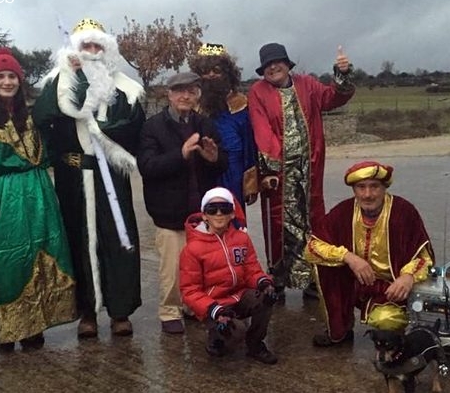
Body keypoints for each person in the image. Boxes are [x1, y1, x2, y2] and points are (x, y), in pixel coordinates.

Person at [32, 18, 146, 338]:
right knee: (78, 241)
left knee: (118, 240)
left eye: (98, 46)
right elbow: (41, 118)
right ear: (76, 48)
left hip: (111, 174)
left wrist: (102, 130)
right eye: (86, 46)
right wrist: (70, 81)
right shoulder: (58, 81)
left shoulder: (126, 87)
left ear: (106, 50)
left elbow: (133, 125)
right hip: (73, 176)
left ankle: (120, 310)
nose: (92, 52)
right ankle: (87, 312)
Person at [0, 47, 77, 353]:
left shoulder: (34, 118)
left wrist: (69, 70)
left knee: (40, 259)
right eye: (1, 76)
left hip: (38, 194)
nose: (7, 82)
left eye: (12, 76)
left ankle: (34, 326)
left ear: (20, 81)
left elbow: (57, 105)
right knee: (6, 264)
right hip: (5, 199)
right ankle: (8, 328)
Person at [248, 43, 355, 301]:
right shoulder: (258, 92)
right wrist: (270, 170)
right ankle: (278, 279)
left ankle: (313, 278)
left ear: (287, 63)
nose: (274, 67)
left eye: (278, 62)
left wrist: (342, 74)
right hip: (278, 176)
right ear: (263, 70)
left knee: (312, 222)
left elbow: (333, 97)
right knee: (278, 225)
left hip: (309, 170)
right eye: (268, 65)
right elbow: (262, 130)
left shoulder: (307, 84)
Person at [304, 161, 435, 346]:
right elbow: (312, 248)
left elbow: (423, 257)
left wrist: (408, 277)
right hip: (353, 281)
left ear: (384, 188)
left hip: (389, 288)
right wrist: (349, 257)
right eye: (361, 187)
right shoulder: (344, 211)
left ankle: (393, 340)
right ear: (354, 190)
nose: (367, 194)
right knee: (324, 264)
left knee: (386, 321)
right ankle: (340, 328)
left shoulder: (403, 212)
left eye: (374, 187)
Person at [138, 72, 228, 334]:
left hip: (200, 212)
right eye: (179, 91)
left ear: (198, 94)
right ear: (169, 94)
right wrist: (180, 154)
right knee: (173, 268)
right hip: (168, 212)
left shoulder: (205, 124)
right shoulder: (152, 127)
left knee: (201, 266)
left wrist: (213, 158)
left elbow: (222, 162)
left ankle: (194, 306)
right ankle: (169, 311)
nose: (185, 96)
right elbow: (147, 166)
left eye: (191, 91)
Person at [179, 187, 278, 364]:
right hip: (214, 304)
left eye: (224, 209)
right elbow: (190, 291)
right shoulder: (192, 249)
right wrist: (214, 310)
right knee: (235, 332)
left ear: (232, 214)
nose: (219, 214)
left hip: (239, 295)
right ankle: (217, 339)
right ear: (204, 215)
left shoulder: (241, 238)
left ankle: (255, 344)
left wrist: (264, 283)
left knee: (266, 298)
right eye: (212, 209)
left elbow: (252, 269)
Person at [188, 43, 258, 210]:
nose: (211, 75)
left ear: (227, 73)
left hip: (233, 174)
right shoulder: (192, 107)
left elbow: (249, 146)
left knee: (233, 220)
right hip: (202, 174)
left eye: (217, 70)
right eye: (206, 71)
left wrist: (251, 184)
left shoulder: (240, 105)